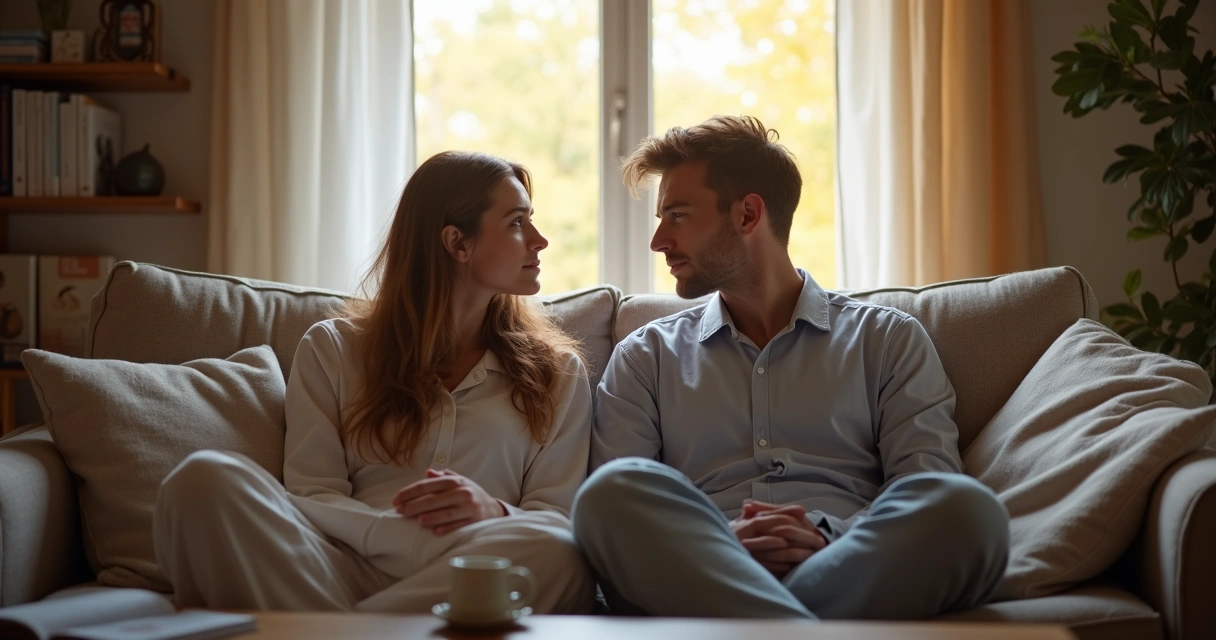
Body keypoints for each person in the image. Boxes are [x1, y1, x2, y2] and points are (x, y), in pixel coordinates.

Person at [572, 116, 1009, 620]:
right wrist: (723, 542)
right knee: (610, 493)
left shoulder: (886, 339)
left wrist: (824, 535)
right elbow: (620, 518)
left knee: (966, 509)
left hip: (845, 565)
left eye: (677, 215)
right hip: (701, 571)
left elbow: (924, 481)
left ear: (747, 214)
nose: (658, 241)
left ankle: (761, 624)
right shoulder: (646, 355)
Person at [154, 151, 596, 614]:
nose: (540, 240)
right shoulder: (335, 349)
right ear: (456, 243)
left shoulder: (557, 371)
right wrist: (396, 536)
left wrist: (493, 511)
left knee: (558, 552)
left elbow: (556, 517)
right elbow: (313, 493)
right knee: (200, 481)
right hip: (338, 564)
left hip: (472, 568)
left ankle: (342, 630)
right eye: (516, 223)